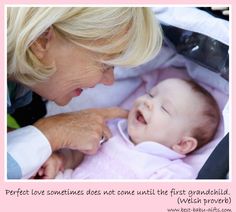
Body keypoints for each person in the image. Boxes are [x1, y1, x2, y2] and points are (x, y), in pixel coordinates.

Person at [7, 7, 163, 179]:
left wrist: (35, 147)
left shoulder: (18, 87)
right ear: (41, 40)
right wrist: (52, 133)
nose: (110, 81)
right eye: (105, 65)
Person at [36, 78, 221, 179]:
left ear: (182, 144)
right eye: (150, 94)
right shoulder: (111, 130)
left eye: (164, 108)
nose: (147, 102)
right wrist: (61, 160)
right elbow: (78, 154)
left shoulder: (170, 171)